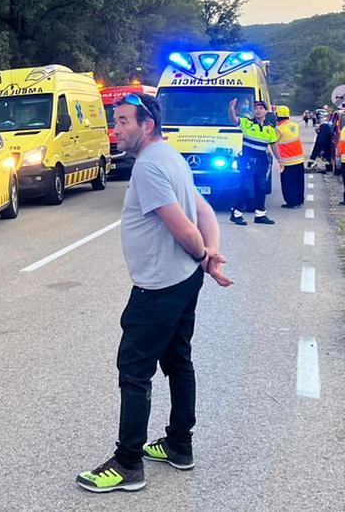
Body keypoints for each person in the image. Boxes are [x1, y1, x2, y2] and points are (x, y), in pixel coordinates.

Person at [76, 92, 232, 494]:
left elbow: (184, 227)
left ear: (147, 125)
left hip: (160, 285)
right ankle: (180, 445)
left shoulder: (148, 167)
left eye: (124, 120)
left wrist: (203, 255)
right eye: (116, 120)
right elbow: (203, 212)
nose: (117, 128)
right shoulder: (170, 156)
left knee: (134, 370)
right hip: (182, 279)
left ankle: (128, 463)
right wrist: (209, 254)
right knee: (179, 360)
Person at [228, 98, 277, 226]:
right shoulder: (247, 123)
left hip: (262, 161)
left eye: (261, 108)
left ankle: (260, 215)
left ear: (266, 111)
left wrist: (280, 160)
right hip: (248, 161)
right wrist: (231, 110)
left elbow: (273, 145)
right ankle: (236, 213)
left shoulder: (269, 129)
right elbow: (235, 120)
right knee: (246, 188)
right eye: (256, 108)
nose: (258, 110)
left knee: (261, 188)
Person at [274, 105, 305, 207]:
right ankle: (300, 199)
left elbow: (273, 141)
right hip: (299, 158)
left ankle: (292, 202)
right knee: (298, 182)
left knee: (288, 184)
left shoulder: (279, 129)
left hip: (287, 160)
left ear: (277, 116)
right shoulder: (294, 125)